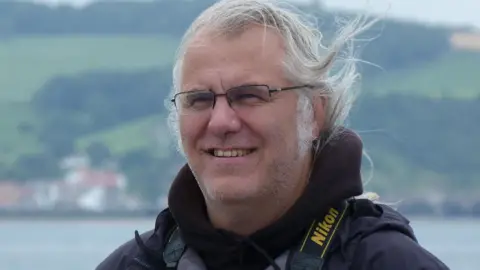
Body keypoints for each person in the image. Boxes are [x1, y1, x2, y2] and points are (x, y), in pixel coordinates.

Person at [96, 0, 450, 269]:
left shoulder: (387, 262)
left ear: (314, 112)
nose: (221, 122)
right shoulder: (133, 264)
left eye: (249, 95)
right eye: (199, 99)